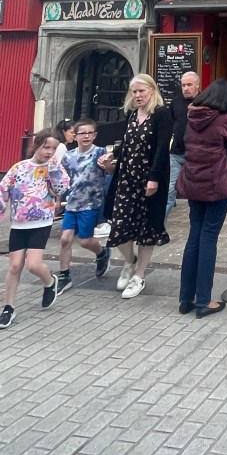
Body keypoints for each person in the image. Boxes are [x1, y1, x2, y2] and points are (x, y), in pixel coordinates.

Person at [98, 74, 172, 300]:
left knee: (147, 226)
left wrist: (154, 177)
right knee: (120, 223)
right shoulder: (131, 115)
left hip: (148, 178)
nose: (138, 95)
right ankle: (130, 262)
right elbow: (129, 144)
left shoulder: (161, 114)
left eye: (142, 91)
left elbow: (161, 148)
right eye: (134, 92)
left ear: (152, 90)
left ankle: (139, 275)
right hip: (126, 178)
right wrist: (112, 156)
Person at [175, 79, 227, 318]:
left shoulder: (192, 116)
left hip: (194, 183)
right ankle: (204, 300)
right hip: (217, 185)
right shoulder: (224, 119)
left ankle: (186, 299)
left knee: (194, 235)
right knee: (208, 238)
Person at [0, 130, 70, 328]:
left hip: (41, 223)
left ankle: (49, 282)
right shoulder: (18, 168)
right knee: (14, 266)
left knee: (33, 264)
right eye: (46, 147)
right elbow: (3, 189)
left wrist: (55, 170)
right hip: (19, 223)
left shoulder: (53, 168)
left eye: (54, 148)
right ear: (37, 145)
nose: (49, 152)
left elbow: (61, 188)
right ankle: (8, 308)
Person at [56, 120, 111, 292]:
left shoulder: (100, 153)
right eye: (82, 133)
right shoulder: (68, 156)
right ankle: (64, 275)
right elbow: (61, 180)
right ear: (75, 136)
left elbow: (109, 171)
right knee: (65, 239)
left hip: (91, 202)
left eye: (90, 133)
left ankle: (102, 254)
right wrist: (58, 200)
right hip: (72, 203)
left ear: (95, 135)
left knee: (85, 241)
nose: (86, 136)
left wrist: (108, 165)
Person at [166, 70, 201, 222]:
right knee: (169, 190)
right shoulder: (175, 102)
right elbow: (170, 124)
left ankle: (197, 221)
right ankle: (158, 226)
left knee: (197, 191)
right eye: (183, 85)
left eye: (189, 85)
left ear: (197, 86)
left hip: (196, 155)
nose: (186, 88)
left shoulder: (204, 102)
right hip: (176, 153)